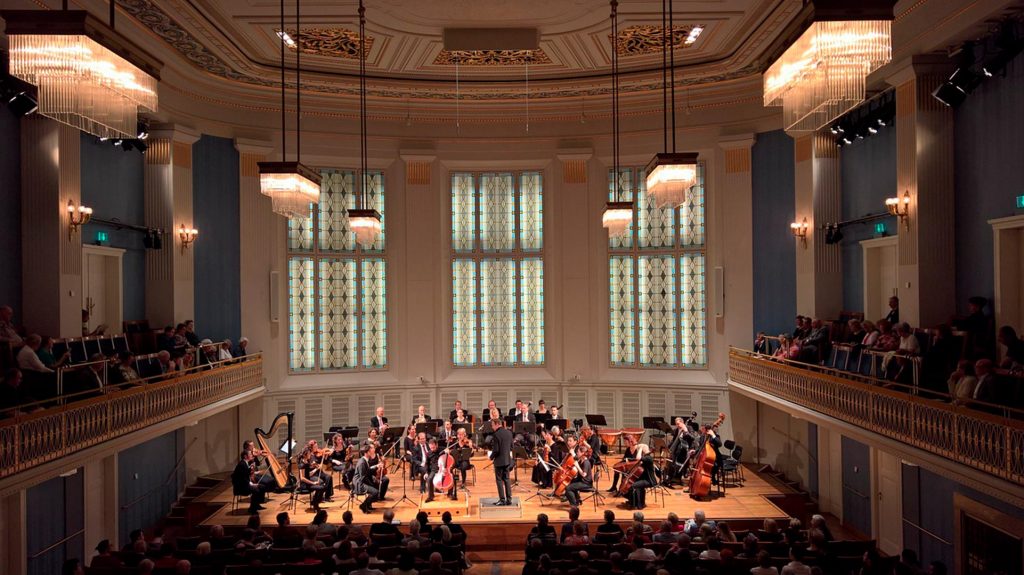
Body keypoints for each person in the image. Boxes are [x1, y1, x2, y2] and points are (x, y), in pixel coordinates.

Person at [355, 444, 389, 513]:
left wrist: (377, 467)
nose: (372, 452)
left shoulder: (365, 460)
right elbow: (363, 477)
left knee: (377, 487)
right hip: (360, 483)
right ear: (367, 453)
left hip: (363, 481)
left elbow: (368, 471)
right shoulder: (362, 462)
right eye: (370, 451)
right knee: (375, 492)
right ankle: (363, 505)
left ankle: (368, 505)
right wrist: (372, 484)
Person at [490, 417, 513, 505]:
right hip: (507, 460)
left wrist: (491, 457)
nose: (492, 427)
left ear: (497, 424)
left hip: (499, 461)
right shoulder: (509, 433)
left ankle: (502, 500)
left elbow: (496, 450)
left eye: (493, 425)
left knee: (499, 480)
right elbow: (511, 447)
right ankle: (509, 499)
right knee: (507, 479)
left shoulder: (496, 434)